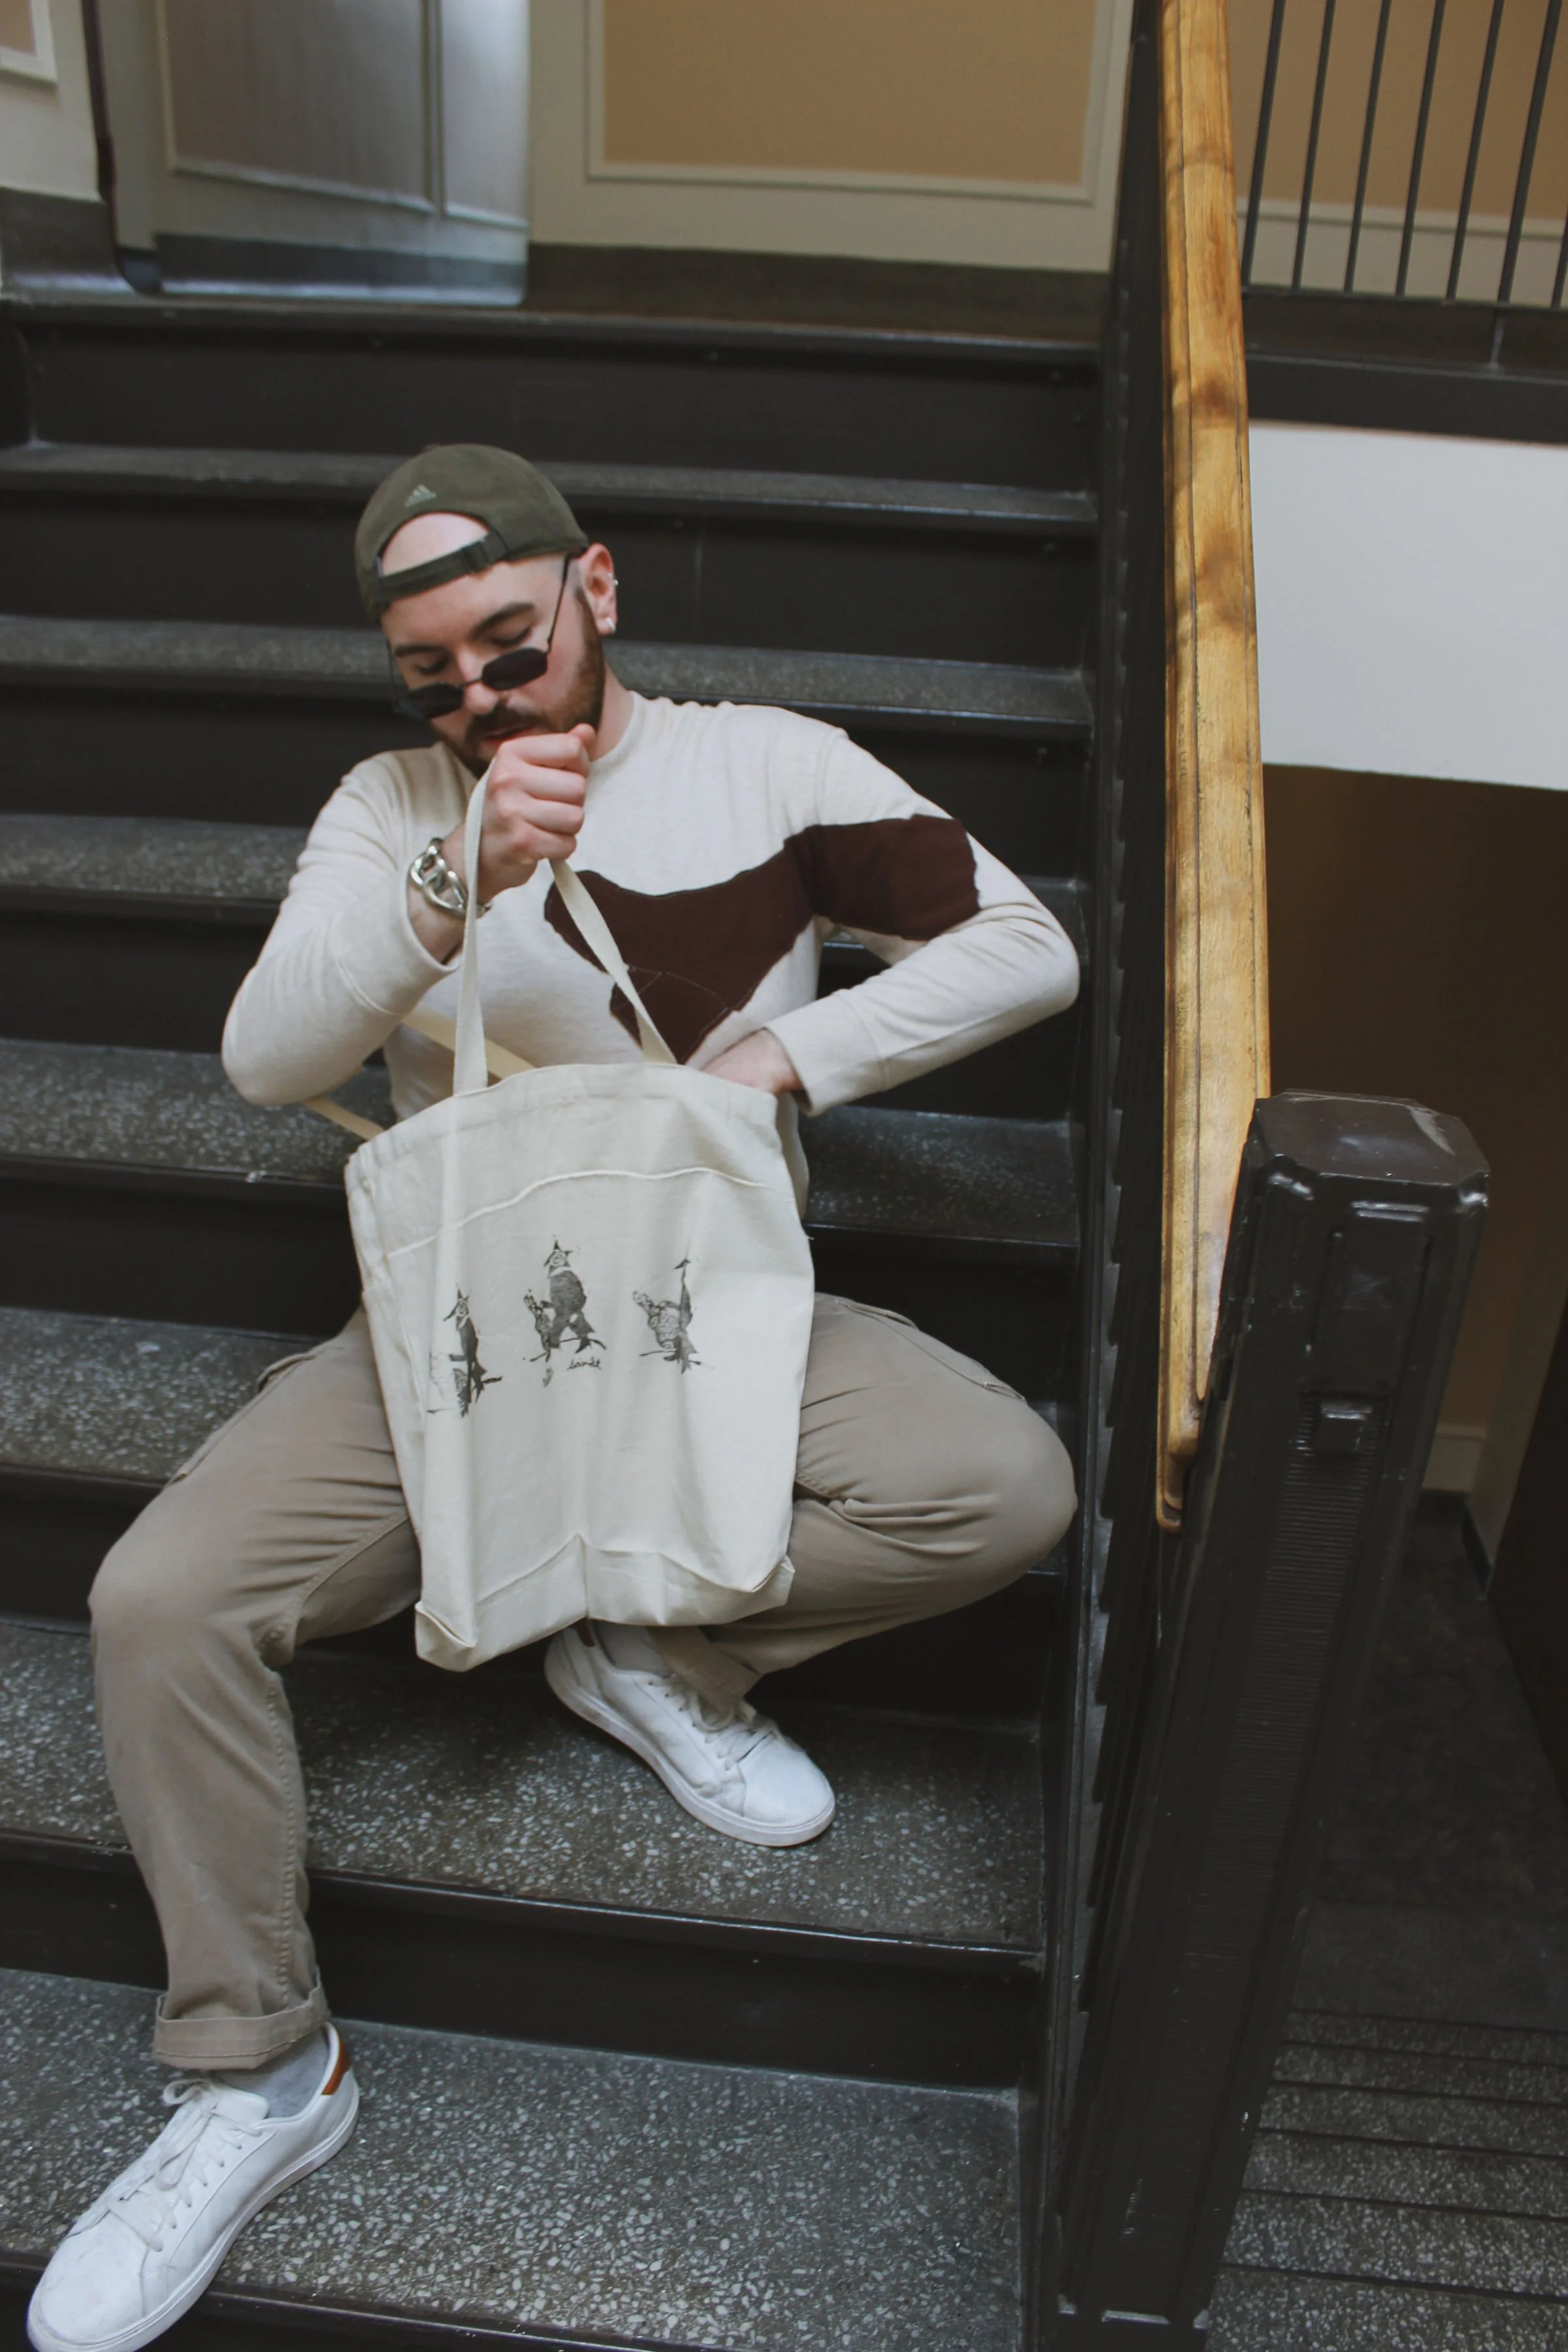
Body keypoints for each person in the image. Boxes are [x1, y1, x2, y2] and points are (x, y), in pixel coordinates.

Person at [27, 446, 1079, 2352]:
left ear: (596, 587)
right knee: (159, 1602)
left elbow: (1029, 943)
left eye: (508, 645)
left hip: (706, 1300)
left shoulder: (771, 765)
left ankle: (657, 1653)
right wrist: (458, 873)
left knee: (1001, 1486)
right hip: (467, 1318)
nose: (482, 698)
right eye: (433, 674)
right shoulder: (392, 807)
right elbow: (268, 1060)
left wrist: (788, 1056)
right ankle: (259, 2077)